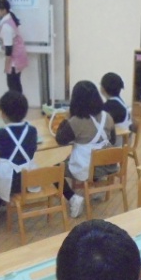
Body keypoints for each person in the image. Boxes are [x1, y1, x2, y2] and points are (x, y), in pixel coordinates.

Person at [55, 80, 117, 218]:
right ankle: (97, 187)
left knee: (54, 171)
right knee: (92, 157)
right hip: (107, 166)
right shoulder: (107, 117)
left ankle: (73, 198)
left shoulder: (76, 121)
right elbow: (112, 140)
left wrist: (66, 119)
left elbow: (60, 140)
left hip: (87, 167)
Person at [0, 90, 38, 210]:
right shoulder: (32, 130)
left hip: (11, 182)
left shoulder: (2, 132)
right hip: (30, 179)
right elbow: (33, 148)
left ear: (3, 113)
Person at [0, 0, 28, 94]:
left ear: (4, 10)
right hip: (17, 57)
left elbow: (9, 50)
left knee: (13, 86)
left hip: (14, 59)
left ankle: (17, 103)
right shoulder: (7, 19)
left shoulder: (6, 26)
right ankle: (19, 102)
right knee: (16, 84)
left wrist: (6, 67)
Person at [100, 72, 134, 146]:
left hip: (116, 145)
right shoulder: (119, 102)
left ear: (103, 89)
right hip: (125, 141)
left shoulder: (110, 107)